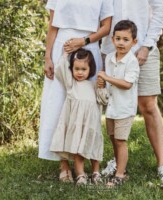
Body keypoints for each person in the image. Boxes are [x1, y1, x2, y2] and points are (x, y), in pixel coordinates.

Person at [100, 0, 163, 184]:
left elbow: (159, 12)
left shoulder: (144, 47)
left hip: (143, 49)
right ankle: (118, 162)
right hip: (111, 49)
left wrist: (146, 46)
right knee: (113, 105)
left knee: (148, 105)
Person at [39, 0, 113, 183]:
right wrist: (48, 56)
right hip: (62, 49)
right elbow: (52, 25)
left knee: (88, 106)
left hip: (88, 48)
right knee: (59, 105)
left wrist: (83, 41)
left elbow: (106, 27)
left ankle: (87, 158)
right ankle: (64, 163)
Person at [50, 49, 103, 185]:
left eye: (84, 69)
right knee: (77, 149)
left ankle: (96, 172)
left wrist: (102, 87)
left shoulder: (93, 85)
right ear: (72, 69)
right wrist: (66, 55)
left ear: (90, 69)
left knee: (93, 147)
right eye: (76, 69)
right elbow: (61, 68)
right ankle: (80, 175)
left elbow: (103, 99)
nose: (79, 72)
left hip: (91, 124)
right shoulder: (71, 84)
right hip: (77, 124)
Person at [97, 20, 139, 186]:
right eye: (118, 38)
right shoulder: (109, 58)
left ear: (134, 42)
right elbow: (107, 84)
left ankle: (120, 175)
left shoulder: (132, 61)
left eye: (126, 39)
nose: (121, 43)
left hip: (124, 108)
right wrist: (102, 83)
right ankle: (119, 167)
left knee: (121, 141)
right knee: (113, 138)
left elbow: (127, 84)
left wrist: (107, 78)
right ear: (113, 39)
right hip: (112, 108)